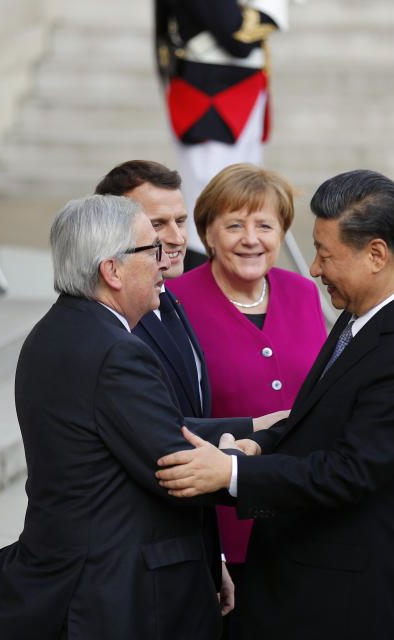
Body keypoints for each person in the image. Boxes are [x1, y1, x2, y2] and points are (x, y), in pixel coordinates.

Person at [156, 170, 394, 640]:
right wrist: (258, 445)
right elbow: (313, 414)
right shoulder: (364, 312)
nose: (315, 268)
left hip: (359, 601)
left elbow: (349, 471)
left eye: (326, 253)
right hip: (309, 582)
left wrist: (232, 474)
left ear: (376, 255)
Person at [0, 195, 258, 639]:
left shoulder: (59, 329)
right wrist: (241, 454)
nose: (164, 263)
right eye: (151, 250)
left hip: (85, 581)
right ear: (111, 271)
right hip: (118, 593)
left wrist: (254, 425)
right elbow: (177, 468)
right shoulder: (117, 352)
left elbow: (143, 430)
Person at [95, 159, 284, 615]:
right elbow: (161, 436)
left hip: (188, 544)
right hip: (140, 565)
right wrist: (255, 440)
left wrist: (211, 551)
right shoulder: (115, 327)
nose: (178, 238)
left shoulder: (169, 301)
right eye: (157, 224)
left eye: (179, 221)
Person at [166, 163, 326, 634]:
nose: (250, 239)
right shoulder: (173, 302)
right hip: (220, 527)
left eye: (265, 225)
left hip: (302, 513)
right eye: (234, 225)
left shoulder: (302, 292)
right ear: (208, 235)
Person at [155, 0, 287, 268]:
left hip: (229, 89)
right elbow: (236, 37)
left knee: (235, 200)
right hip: (214, 97)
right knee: (211, 207)